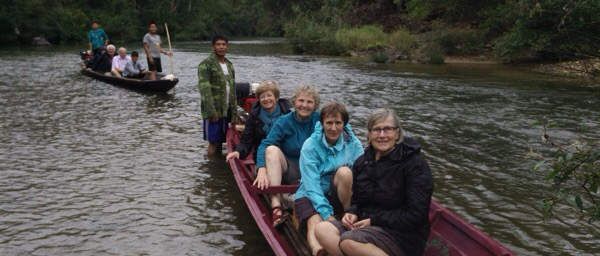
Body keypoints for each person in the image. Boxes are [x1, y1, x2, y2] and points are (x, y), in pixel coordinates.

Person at [314, 108, 433, 256]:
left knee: (349, 241)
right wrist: (352, 213)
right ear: (369, 134)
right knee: (322, 229)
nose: (382, 135)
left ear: (397, 133)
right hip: (366, 226)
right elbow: (357, 201)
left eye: (387, 129)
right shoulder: (362, 162)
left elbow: (416, 215)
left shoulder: (414, 164)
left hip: (402, 235)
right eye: (376, 130)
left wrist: (374, 220)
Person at [294, 102, 364, 256]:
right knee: (315, 220)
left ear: (344, 124)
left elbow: (365, 174)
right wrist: (328, 215)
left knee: (345, 172)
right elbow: (311, 185)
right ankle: (317, 250)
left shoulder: (353, 144)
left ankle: (349, 213)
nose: (333, 128)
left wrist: (359, 208)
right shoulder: (310, 146)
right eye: (329, 123)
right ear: (322, 124)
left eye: (338, 123)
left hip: (338, 192)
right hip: (310, 193)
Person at [254, 85, 320, 227]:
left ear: (315, 106)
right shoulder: (284, 121)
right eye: (301, 101)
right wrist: (261, 168)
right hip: (290, 168)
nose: (304, 105)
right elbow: (265, 145)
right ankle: (276, 204)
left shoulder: (320, 120)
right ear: (294, 102)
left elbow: (342, 129)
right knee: (271, 150)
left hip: (312, 170)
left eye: (309, 102)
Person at [226, 80, 291, 162]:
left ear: (276, 97)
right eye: (262, 97)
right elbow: (246, 140)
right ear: (259, 100)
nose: (266, 99)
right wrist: (238, 152)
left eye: (269, 96)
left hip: (285, 155)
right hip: (262, 156)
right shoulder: (254, 117)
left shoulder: (287, 114)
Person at [198, 35, 236, 156]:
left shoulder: (229, 65)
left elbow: (232, 89)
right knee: (213, 142)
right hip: (214, 109)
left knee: (222, 140)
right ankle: (211, 169)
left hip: (227, 109)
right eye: (218, 44)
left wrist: (234, 112)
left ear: (227, 46)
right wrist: (211, 111)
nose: (221, 47)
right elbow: (205, 90)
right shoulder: (206, 64)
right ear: (213, 46)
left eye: (223, 44)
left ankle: (217, 168)